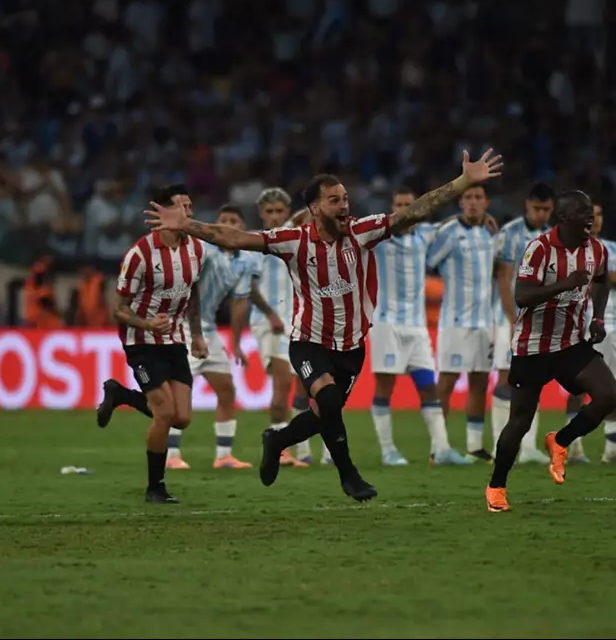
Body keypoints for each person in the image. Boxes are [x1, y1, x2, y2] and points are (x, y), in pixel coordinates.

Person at [146, 149, 504, 502]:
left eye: (345, 198)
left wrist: (462, 182)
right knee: (329, 399)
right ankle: (348, 474)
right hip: (309, 341)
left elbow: (415, 211)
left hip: (351, 346)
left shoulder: (363, 232)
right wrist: (187, 225)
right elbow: (234, 237)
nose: (344, 205)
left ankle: (278, 440)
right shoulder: (293, 241)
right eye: (335, 200)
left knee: (322, 414)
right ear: (316, 208)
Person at [99, 204, 270, 470]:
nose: (229, 225)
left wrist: (235, 342)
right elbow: (188, 288)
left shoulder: (245, 261)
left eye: (234, 221)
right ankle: (171, 455)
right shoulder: (202, 249)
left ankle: (224, 456)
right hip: (179, 327)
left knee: (224, 390)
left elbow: (239, 303)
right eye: (223, 220)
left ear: (242, 227)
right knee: (170, 408)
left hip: (208, 329)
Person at [484, 190, 616, 513]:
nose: (589, 218)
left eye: (591, 212)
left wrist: (597, 317)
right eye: (581, 212)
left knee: (609, 396)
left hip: (570, 344)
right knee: (520, 422)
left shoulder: (596, 249)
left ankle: (560, 440)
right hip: (532, 348)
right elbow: (523, 295)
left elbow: (603, 280)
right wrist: (565, 283)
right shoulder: (540, 249)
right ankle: (496, 486)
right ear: (562, 218)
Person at [100, 184, 208, 504]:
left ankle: (120, 394)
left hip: (174, 339)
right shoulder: (140, 255)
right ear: (164, 213)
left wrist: (198, 334)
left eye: (191, 206)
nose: (190, 213)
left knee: (182, 418)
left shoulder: (196, 249)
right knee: (164, 413)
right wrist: (147, 323)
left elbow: (194, 294)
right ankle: (155, 487)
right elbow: (117, 308)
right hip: (142, 341)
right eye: (182, 207)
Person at [369, 187, 471, 466]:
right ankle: (388, 450)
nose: (404, 210)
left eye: (409, 205)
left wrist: (481, 218)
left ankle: (442, 449)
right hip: (387, 325)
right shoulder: (379, 240)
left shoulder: (426, 235)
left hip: (417, 328)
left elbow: (451, 222)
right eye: (399, 204)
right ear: (392, 209)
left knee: (428, 387)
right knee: (384, 388)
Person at [563, 200, 616, 464]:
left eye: (599, 214)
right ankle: (573, 448)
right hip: (577, 325)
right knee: (577, 386)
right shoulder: (567, 248)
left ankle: (612, 448)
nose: (595, 219)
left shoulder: (612, 248)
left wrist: (604, 275)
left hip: (614, 324)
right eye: (590, 215)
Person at [427, 184, 498, 461]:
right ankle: (438, 447)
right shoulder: (448, 233)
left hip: (483, 321)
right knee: (446, 381)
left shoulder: (491, 235)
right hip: (454, 321)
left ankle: (475, 445)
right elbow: (430, 260)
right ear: (460, 203)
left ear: (486, 202)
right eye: (467, 198)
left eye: (478, 197)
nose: (472, 202)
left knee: (479, 381)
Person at [248, 188, 318, 467]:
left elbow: (310, 212)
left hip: (296, 322)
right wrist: (271, 314)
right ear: (261, 214)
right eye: (270, 212)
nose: (275, 217)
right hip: (270, 324)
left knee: (304, 390)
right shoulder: (254, 242)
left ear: (286, 213)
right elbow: (248, 286)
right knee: (282, 386)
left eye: (280, 211)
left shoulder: (292, 235)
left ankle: (301, 449)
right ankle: (278, 449)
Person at [492, 184, 554, 464]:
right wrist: (511, 317)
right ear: (527, 205)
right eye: (537, 208)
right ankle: (500, 444)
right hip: (511, 318)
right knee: (506, 377)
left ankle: (528, 448)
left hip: (540, 321)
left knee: (532, 380)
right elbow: (504, 277)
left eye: (546, 209)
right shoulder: (511, 233)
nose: (541, 214)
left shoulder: (554, 237)